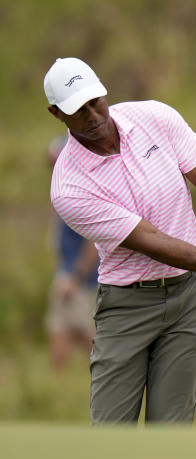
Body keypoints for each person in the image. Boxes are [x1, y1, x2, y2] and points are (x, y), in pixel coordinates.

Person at [45, 57, 196, 424]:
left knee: (170, 430)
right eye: (77, 110)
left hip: (189, 297)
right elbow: (150, 239)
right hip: (127, 307)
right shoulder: (69, 187)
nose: (92, 115)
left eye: (94, 102)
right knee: (111, 433)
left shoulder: (153, 117)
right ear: (56, 114)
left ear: (103, 90)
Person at [46, 135, 100, 370]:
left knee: (81, 330)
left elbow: (93, 242)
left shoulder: (78, 194)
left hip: (77, 278)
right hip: (68, 272)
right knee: (60, 326)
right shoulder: (63, 190)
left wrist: (75, 278)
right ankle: (57, 380)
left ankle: (106, 372)